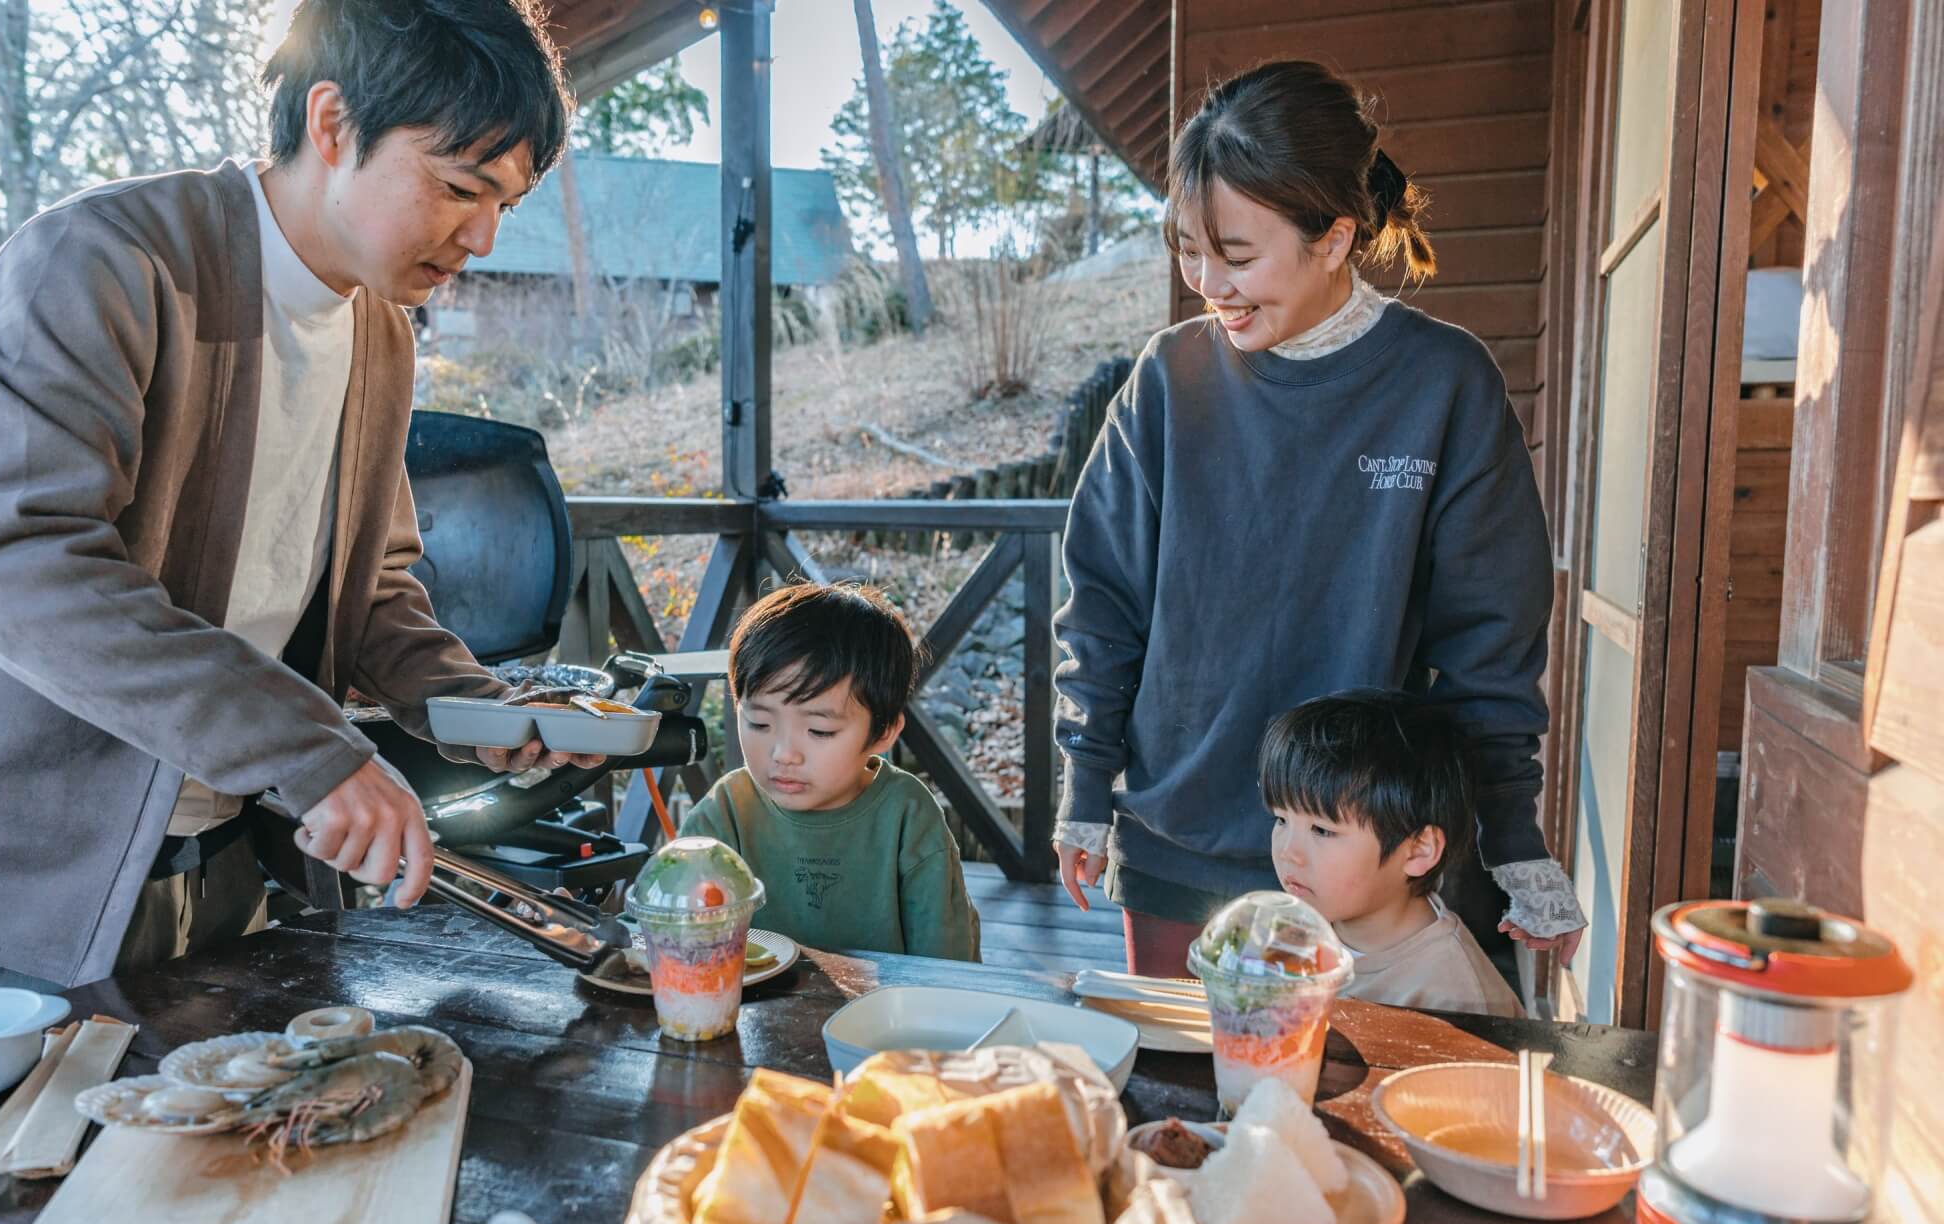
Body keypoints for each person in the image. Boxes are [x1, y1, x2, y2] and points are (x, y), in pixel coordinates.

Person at [0, 0, 601, 992]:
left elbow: (369, 586)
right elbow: (17, 563)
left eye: (506, 203)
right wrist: (311, 749)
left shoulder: (379, 329)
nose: (483, 236)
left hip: (241, 870)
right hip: (35, 895)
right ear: (331, 125)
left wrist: (470, 706)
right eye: (461, 186)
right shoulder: (100, 265)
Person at [1050, 58, 1586, 978]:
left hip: (1366, 877)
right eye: (1187, 248)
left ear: (1335, 239)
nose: (1206, 282)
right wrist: (1085, 787)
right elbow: (1102, 602)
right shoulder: (1169, 380)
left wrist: (1512, 837)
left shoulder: (1442, 386)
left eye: (1239, 254)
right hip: (1179, 848)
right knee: (1187, 1108)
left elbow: (1489, 641)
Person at [678, 583, 981, 962]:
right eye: (758, 723)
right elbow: (673, 936)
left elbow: (946, 971)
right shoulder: (725, 812)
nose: (783, 754)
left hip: (884, 1016)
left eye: (820, 731)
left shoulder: (907, 815)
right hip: (754, 1015)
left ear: (883, 732)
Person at [1259, 691, 1522, 1017]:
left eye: (1322, 830)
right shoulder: (1306, 929)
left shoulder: (1454, 996)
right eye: (1281, 819)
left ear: (1418, 851)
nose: (1288, 852)